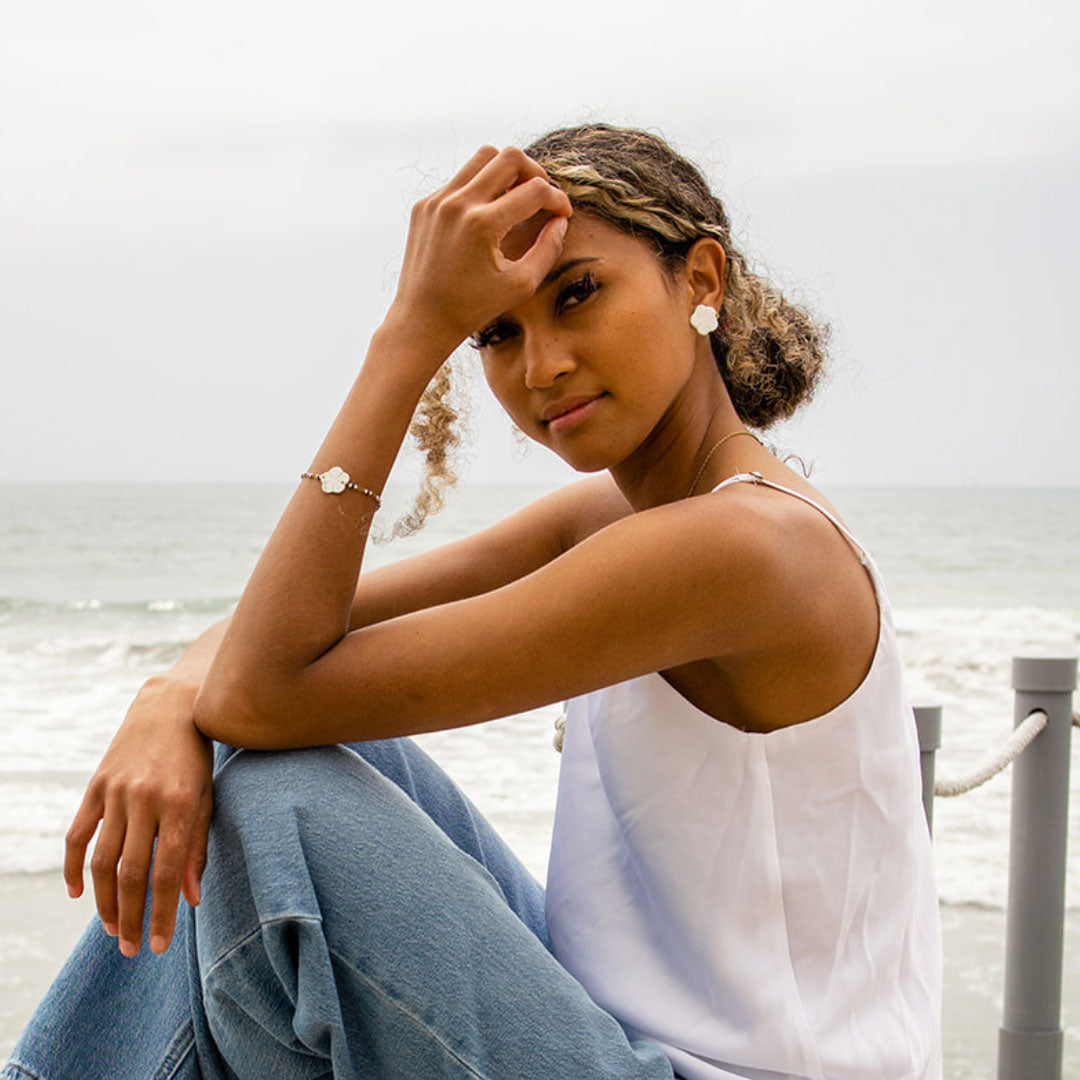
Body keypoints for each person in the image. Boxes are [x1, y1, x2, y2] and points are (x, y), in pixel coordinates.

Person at [3, 123, 942, 1080]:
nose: (541, 367)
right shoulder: (616, 516)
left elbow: (260, 685)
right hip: (614, 1032)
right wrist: (167, 697)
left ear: (700, 279)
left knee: (272, 797)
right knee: (271, 752)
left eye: (577, 295)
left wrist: (410, 334)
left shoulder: (744, 548)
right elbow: (269, 649)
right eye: (495, 331)